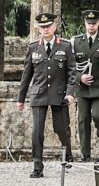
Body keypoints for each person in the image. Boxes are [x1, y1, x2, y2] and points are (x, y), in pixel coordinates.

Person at [15, 14, 72, 177]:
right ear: (38, 29)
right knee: (37, 131)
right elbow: (26, 75)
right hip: (39, 94)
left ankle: (67, 152)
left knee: (61, 129)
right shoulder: (33, 47)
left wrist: (70, 93)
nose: (46, 29)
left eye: (48, 26)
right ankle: (37, 165)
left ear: (54, 27)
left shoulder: (65, 46)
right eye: (42, 27)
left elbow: (72, 72)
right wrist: (21, 98)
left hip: (59, 94)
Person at [66, 10, 99, 169]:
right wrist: (80, 77)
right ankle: (85, 153)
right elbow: (70, 66)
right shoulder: (75, 42)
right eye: (88, 23)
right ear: (84, 23)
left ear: (98, 24)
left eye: (94, 23)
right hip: (82, 89)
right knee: (82, 120)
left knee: (98, 116)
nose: (91, 26)